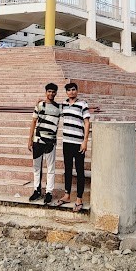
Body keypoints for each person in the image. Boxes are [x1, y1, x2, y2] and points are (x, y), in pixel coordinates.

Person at [54, 82, 90, 212]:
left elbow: (87, 123)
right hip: (67, 142)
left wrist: (85, 141)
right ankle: (67, 195)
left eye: (73, 90)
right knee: (68, 169)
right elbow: (53, 109)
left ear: (77, 91)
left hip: (78, 142)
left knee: (80, 170)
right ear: (66, 92)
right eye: (69, 90)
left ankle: (79, 198)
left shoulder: (83, 104)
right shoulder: (63, 104)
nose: (71, 92)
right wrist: (41, 101)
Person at [27, 83, 61, 204]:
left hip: (50, 141)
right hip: (38, 140)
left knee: (50, 167)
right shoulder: (40, 105)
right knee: (37, 167)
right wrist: (29, 139)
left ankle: (49, 192)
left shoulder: (59, 107)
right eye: (49, 91)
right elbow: (33, 122)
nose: (51, 94)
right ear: (46, 92)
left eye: (53, 92)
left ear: (56, 93)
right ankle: (37, 191)